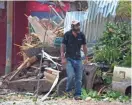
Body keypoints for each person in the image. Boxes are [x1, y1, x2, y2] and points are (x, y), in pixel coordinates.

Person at [60, 20, 88, 100]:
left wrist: (86, 57)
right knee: (71, 75)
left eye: (79, 25)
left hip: (78, 59)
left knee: (79, 78)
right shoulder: (67, 35)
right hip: (69, 59)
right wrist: (62, 57)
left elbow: (84, 46)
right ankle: (68, 91)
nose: (78, 27)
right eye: (76, 26)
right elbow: (62, 46)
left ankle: (77, 94)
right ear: (72, 27)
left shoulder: (81, 35)